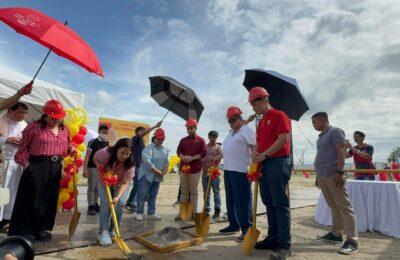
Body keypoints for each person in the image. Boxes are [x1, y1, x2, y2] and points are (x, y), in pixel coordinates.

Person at [9, 100, 72, 242]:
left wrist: (70, 149)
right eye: (53, 117)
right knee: (31, 199)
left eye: (59, 117)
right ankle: (25, 230)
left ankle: (40, 228)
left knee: (48, 199)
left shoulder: (64, 130)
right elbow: (22, 150)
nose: (56, 120)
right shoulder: (33, 127)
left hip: (55, 167)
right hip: (36, 166)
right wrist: (27, 166)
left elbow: (66, 147)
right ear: (45, 115)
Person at [248, 87, 292, 258]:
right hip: (264, 164)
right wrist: (255, 152)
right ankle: (273, 238)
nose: (253, 108)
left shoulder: (279, 115)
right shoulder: (261, 122)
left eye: (254, 103)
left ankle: (284, 245)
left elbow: (283, 139)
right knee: (268, 202)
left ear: (264, 100)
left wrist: (264, 154)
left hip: (278, 161)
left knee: (279, 204)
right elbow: (259, 142)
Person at [312, 112, 358, 255]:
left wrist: (340, 172)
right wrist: (317, 175)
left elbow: (341, 152)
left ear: (324, 119)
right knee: (333, 205)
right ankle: (337, 234)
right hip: (322, 175)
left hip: (333, 174)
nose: (313, 125)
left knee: (344, 207)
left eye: (315, 122)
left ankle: (352, 240)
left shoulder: (335, 131)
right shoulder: (321, 137)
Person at [220, 106, 255, 242]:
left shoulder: (247, 131)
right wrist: (220, 156)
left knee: (242, 201)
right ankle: (233, 224)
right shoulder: (231, 132)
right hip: (228, 170)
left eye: (233, 120)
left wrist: (254, 168)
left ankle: (247, 228)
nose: (231, 123)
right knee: (231, 199)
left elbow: (254, 148)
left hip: (241, 171)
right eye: (229, 121)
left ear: (240, 118)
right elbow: (229, 149)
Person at [93, 138, 135, 246]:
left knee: (119, 203)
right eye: (122, 153)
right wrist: (99, 166)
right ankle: (103, 232)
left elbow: (126, 183)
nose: (124, 156)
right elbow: (95, 158)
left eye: (127, 153)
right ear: (116, 149)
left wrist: (117, 197)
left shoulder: (130, 164)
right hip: (104, 180)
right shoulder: (105, 153)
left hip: (121, 183)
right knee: (106, 204)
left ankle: (113, 230)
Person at [0, 102, 28, 234]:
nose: (23, 115)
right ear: (10, 110)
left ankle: (7, 219)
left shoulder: (24, 125)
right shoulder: (1, 120)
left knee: (12, 192)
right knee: (2, 190)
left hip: (17, 163)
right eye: (20, 112)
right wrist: (6, 139)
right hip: (3, 161)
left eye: (24, 113)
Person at [125, 122, 161, 213]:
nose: (144, 132)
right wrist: (155, 126)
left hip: (141, 167)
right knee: (137, 185)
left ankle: (132, 202)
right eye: (142, 131)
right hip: (135, 166)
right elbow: (143, 133)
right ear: (138, 132)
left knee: (139, 185)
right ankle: (131, 202)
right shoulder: (135, 139)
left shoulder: (141, 142)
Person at [175, 118, 207, 220]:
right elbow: (178, 151)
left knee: (193, 191)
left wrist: (192, 158)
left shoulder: (201, 140)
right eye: (188, 128)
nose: (189, 130)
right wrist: (183, 157)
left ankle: (193, 212)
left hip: (195, 169)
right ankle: (182, 213)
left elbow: (203, 153)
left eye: (191, 128)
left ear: (195, 128)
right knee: (184, 191)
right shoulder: (183, 140)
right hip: (184, 169)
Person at [135, 128, 169, 221]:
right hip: (146, 175)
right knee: (143, 193)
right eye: (159, 139)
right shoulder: (149, 148)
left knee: (153, 194)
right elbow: (146, 160)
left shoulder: (164, 150)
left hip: (158, 176)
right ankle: (139, 212)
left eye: (162, 139)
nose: (160, 141)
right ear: (154, 138)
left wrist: (165, 170)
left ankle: (151, 212)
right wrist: (155, 169)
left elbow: (166, 161)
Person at [82, 124, 110, 215]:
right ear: (99, 132)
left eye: (106, 133)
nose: (105, 134)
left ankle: (95, 204)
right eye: (103, 132)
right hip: (92, 167)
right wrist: (84, 170)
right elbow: (87, 156)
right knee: (92, 187)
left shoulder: (107, 142)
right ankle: (90, 206)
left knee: (98, 187)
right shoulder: (93, 142)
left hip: (101, 169)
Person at [202, 130, 222, 218]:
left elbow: (222, 155)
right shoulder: (205, 147)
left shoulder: (218, 147)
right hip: (205, 172)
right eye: (211, 137)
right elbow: (201, 157)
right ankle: (206, 209)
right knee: (206, 192)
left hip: (214, 173)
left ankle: (217, 210)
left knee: (216, 192)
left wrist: (215, 158)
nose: (212, 138)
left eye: (214, 137)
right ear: (209, 137)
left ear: (216, 138)